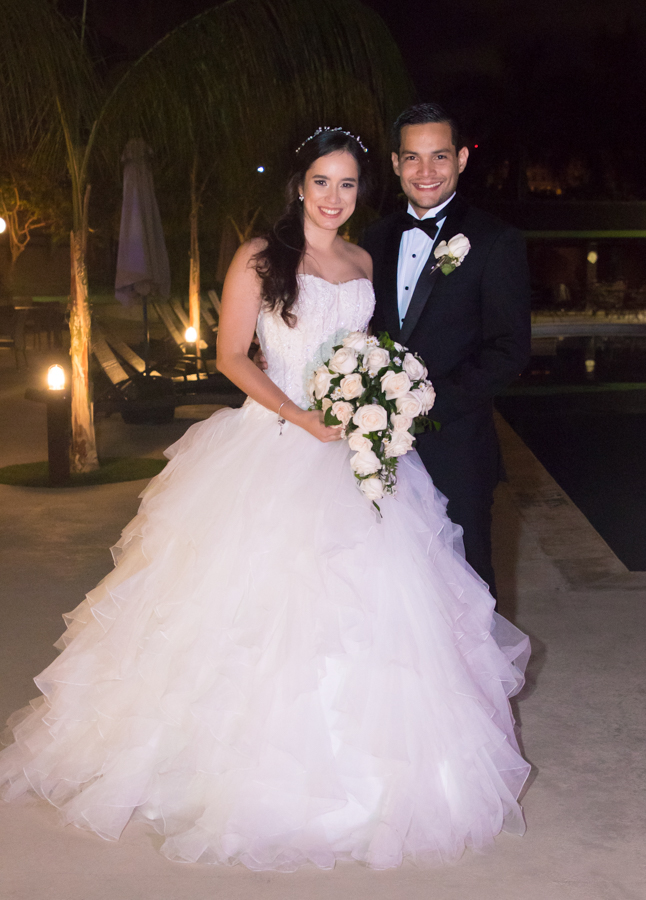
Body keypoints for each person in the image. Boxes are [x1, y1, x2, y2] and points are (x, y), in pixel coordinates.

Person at [0, 128, 530, 871]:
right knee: (243, 610)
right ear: (298, 185)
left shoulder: (364, 260)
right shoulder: (260, 256)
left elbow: (374, 351)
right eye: (321, 181)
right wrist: (299, 415)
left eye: (347, 184)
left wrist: (371, 405)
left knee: (379, 606)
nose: (333, 197)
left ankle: (371, 780)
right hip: (273, 442)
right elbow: (230, 356)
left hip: (351, 454)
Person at [361, 103, 532, 598]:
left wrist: (423, 406)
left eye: (439, 156)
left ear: (461, 158)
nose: (426, 171)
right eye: (412, 158)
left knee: (467, 584)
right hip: (378, 450)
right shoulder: (373, 238)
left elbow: (509, 349)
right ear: (395, 163)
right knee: (393, 585)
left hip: (457, 447)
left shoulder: (495, 239)